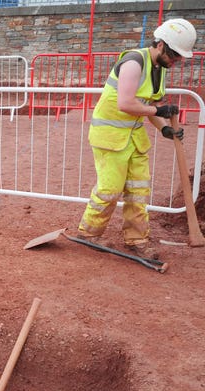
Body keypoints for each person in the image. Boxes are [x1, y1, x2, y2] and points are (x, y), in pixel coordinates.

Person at [77, 18, 197, 259]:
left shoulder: (158, 69)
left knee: (138, 190)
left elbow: (151, 104)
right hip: (110, 137)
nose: (177, 61)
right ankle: (89, 233)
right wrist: (157, 112)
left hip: (133, 139)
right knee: (110, 189)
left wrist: (164, 128)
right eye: (175, 55)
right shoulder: (133, 62)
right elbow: (126, 103)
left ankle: (137, 239)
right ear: (161, 45)